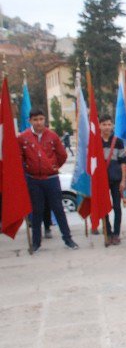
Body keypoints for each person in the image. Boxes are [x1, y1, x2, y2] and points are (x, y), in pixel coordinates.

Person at [18, 108, 78, 251]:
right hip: (34, 179)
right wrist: (27, 168)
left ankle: (68, 239)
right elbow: (20, 157)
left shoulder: (52, 136)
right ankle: (36, 243)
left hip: (51, 178)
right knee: (36, 211)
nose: (39, 122)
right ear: (30, 121)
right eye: (35, 120)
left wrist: (53, 166)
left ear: (45, 119)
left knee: (58, 209)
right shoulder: (23, 137)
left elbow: (62, 155)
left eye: (41, 119)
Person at [99, 115, 126, 245]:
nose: (107, 127)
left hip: (116, 179)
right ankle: (108, 232)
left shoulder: (118, 141)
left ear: (112, 126)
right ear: (99, 125)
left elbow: (123, 162)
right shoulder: (95, 141)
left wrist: (123, 180)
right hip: (102, 181)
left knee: (117, 207)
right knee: (104, 208)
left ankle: (116, 234)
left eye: (109, 124)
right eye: (104, 124)